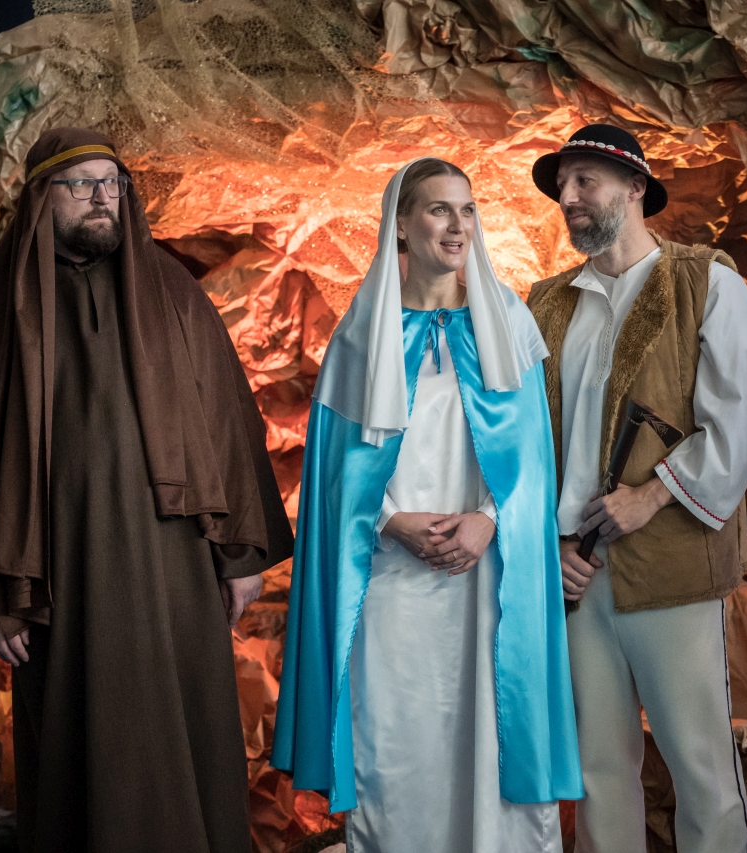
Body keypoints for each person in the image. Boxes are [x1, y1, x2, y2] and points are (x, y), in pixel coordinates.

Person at [0, 128, 294, 853]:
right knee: (80, 755)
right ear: (40, 199)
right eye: (80, 184)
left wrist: (241, 554)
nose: (100, 198)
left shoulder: (173, 293)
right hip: (62, 578)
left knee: (185, 739)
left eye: (111, 183)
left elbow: (225, 420)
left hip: (173, 568)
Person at [272, 157, 583, 852]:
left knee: (491, 732)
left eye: (467, 210)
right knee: (396, 739)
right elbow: (334, 473)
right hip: (392, 580)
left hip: (487, 579)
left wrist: (489, 521)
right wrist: (392, 521)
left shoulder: (507, 322)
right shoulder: (363, 333)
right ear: (401, 226)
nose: (457, 224)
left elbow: (535, 455)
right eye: (440, 209)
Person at [527, 125, 747, 853]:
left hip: (671, 562)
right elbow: (524, 442)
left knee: (701, 768)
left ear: (636, 187)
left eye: (586, 180)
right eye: (562, 185)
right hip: (577, 575)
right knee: (598, 772)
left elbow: (741, 420)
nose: (569, 197)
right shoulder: (545, 304)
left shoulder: (705, 281)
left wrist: (653, 494)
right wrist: (550, 542)